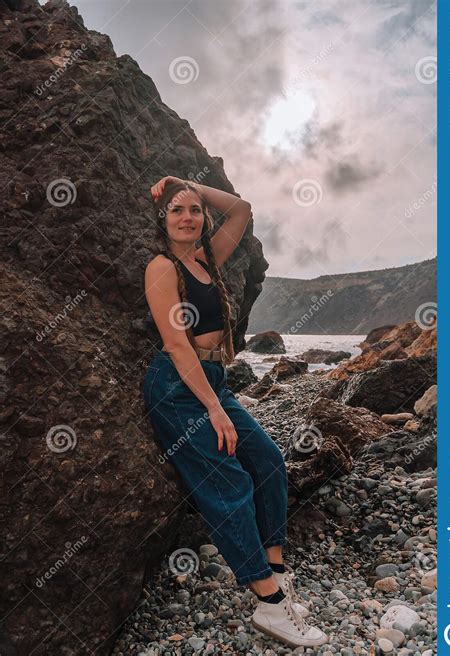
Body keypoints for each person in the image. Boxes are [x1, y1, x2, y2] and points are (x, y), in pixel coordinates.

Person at [143, 176, 328, 648]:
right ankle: (269, 606)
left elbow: (242, 209)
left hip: (215, 381)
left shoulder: (206, 261)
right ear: (162, 222)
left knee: (267, 461)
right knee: (229, 484)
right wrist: (215, 410)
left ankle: (276, 576)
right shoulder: (161, 269)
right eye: (176, 211)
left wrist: (188, 186)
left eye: (194, 211)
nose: (187, 217)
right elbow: (176, 346)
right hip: (179, 389)